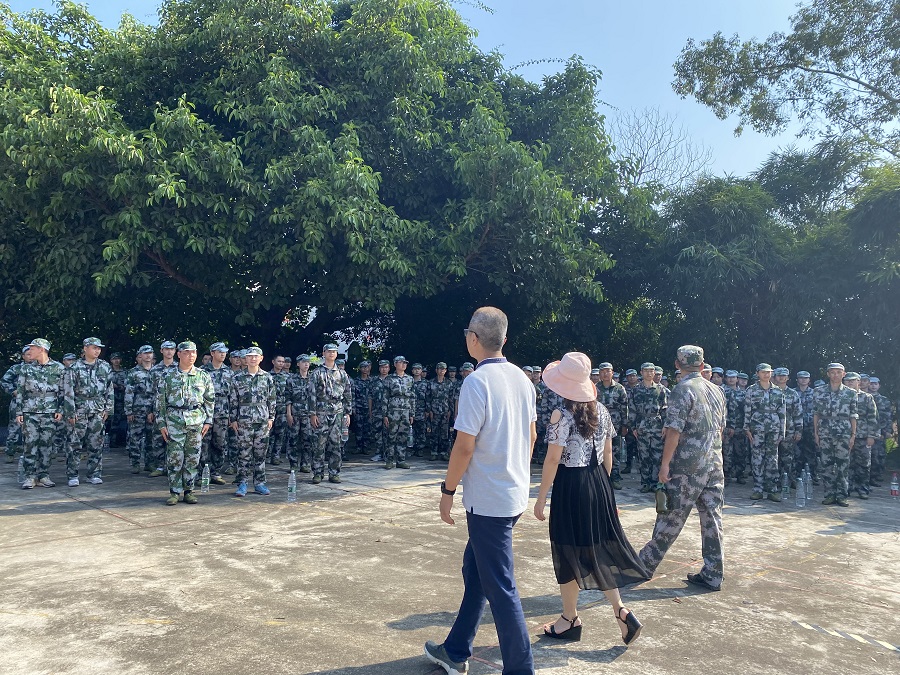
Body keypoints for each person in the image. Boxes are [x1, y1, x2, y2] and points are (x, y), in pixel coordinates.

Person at [424, 307, 536, 675]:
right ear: (504, 339)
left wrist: (447, 491)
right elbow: (532, 436)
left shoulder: (476, 382)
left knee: (500, 587)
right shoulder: (522, 379)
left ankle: (520, 669)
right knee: (476, 571)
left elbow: (464, 446)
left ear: (473, 338)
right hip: (511, 495)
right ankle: (456, 650)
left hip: (490, 502)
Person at [534, 353, 648, 646]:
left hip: (572, 485)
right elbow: (608, 455)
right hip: (598, 481)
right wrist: (604, 490)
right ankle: (619, 611)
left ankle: (570, 618)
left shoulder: (561, 414)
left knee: (568, 548)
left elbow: (553, 459)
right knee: (596, 548)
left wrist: (541, 496)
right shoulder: (603, 410)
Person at [638, 345, 726, 592]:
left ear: (677, 365)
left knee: (670, 517)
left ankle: (643, 565)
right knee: (712, 519)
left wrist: (665, 465)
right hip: (713, 464)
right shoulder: (717, 390)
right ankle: (713, 573)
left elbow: (674, 432)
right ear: (702, 365)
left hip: (687, 466)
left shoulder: (682, 389)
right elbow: (720, 428)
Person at [157, 341, 215, 505]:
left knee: (193, 458)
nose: (191, 356)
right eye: (187, 352)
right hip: (174, 420)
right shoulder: (168, 376)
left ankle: (189, 491)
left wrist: (208, 421)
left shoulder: (203, 375)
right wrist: (161, 424)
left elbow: (210, 399)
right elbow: (160, 401)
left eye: (193, 352)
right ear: (179, 354)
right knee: (175, 458)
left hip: (196, 420)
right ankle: (175, 492)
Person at [16, 339, 69, 488]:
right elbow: (20, 391)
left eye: (32, 348)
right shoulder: (26, 368)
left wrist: (60, 410)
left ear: (41, 349)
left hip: (50, 412)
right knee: (30, 444)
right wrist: (19, 411)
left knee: (47, 444)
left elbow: (63, 392)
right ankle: (30, 476)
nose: (29, 351)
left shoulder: (59, 368)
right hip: (30, 411)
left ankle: (44, 475)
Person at [64, 338, 114, 486]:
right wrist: (70, 412)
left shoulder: (104, 366)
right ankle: (72, 475)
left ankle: (94, 474)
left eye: (99, 348)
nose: (97, 351)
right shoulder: (74, 367)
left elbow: (109, 389)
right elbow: (68, 391)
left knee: (96, 443)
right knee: (74, 444)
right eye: (94, 348)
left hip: (97, 409)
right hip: (79, 409)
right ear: (85, 348)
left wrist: (108, 409)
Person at [230, 346, 276, 496]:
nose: (253, 358)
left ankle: (260, 483)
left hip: (262, 420)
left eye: (256, 356)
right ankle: (242, 483)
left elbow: (272, 399)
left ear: (261, 358)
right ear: (246, 359)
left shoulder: (267, 377)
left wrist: (271, 417)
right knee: (243, 453)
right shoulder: (237, 378)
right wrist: (233, 419)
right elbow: (233, 400)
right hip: (243, 420)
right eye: (249, 356)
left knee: (260, 453)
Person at [814, 363, 858, 507]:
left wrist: (853, 435)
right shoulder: (819, 391)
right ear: (828, 374)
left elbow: (853, 415)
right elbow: (816, 413)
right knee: (826, 464)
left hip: (843, 432)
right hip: (825, 432)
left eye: (839, 372)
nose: (835, 375)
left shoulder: (851, 393)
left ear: (844, 374)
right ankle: (829, 494)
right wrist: (816, 433)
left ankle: (842, 495)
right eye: (832, 372)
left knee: (843, 465)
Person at [309, 343, 352, 484]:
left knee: (336, 444)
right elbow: (311, 394)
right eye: (328, 351)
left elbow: (347, 394)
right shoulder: (317, 373)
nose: (331, 353)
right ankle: (317, 473)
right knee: (318, 444)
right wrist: (312, 414)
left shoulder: (342, 373)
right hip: (321, 411)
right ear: (324, 353)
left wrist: (348, 413)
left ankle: (334, 473)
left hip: (337, 411)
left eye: (334, 351)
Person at [124, 345, 156, 473]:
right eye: (145, 353)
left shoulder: (157, 371)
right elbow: (129, 392)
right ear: (140, 355)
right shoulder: (133, 372)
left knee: (151, 438)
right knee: (135, 437)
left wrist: (155, 410)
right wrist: (129, 411)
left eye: (150, 353)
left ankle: (149, 463)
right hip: (137, 410)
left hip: (153, 410)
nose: (148, 355)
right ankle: (135, 463)